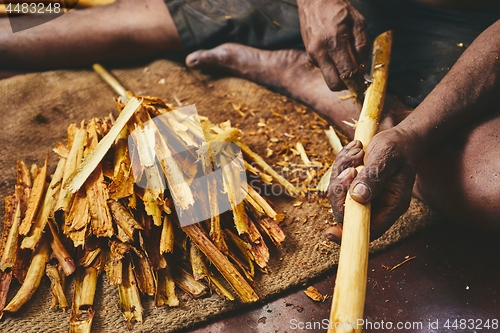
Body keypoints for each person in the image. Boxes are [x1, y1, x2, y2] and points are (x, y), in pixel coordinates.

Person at [2, 0, 500, 241]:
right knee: (81, 30)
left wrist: (412, 134)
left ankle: (304, 79)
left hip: (473, 28)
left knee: (488, 185)